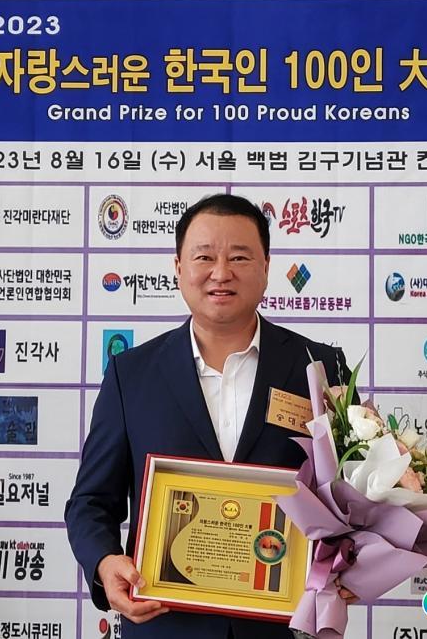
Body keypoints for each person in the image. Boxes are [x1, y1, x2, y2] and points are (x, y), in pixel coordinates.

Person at [65, 194, 357, 639]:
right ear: (178, 267)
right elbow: (90, 502)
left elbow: (355, 492)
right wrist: (105, 563)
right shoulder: (131, 375)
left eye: (239, 257)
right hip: (166, 623)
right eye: (204, 257)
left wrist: (353, 560)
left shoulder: (320, 367)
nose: (221, 272)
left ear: (266, 268)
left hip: (285, 627)